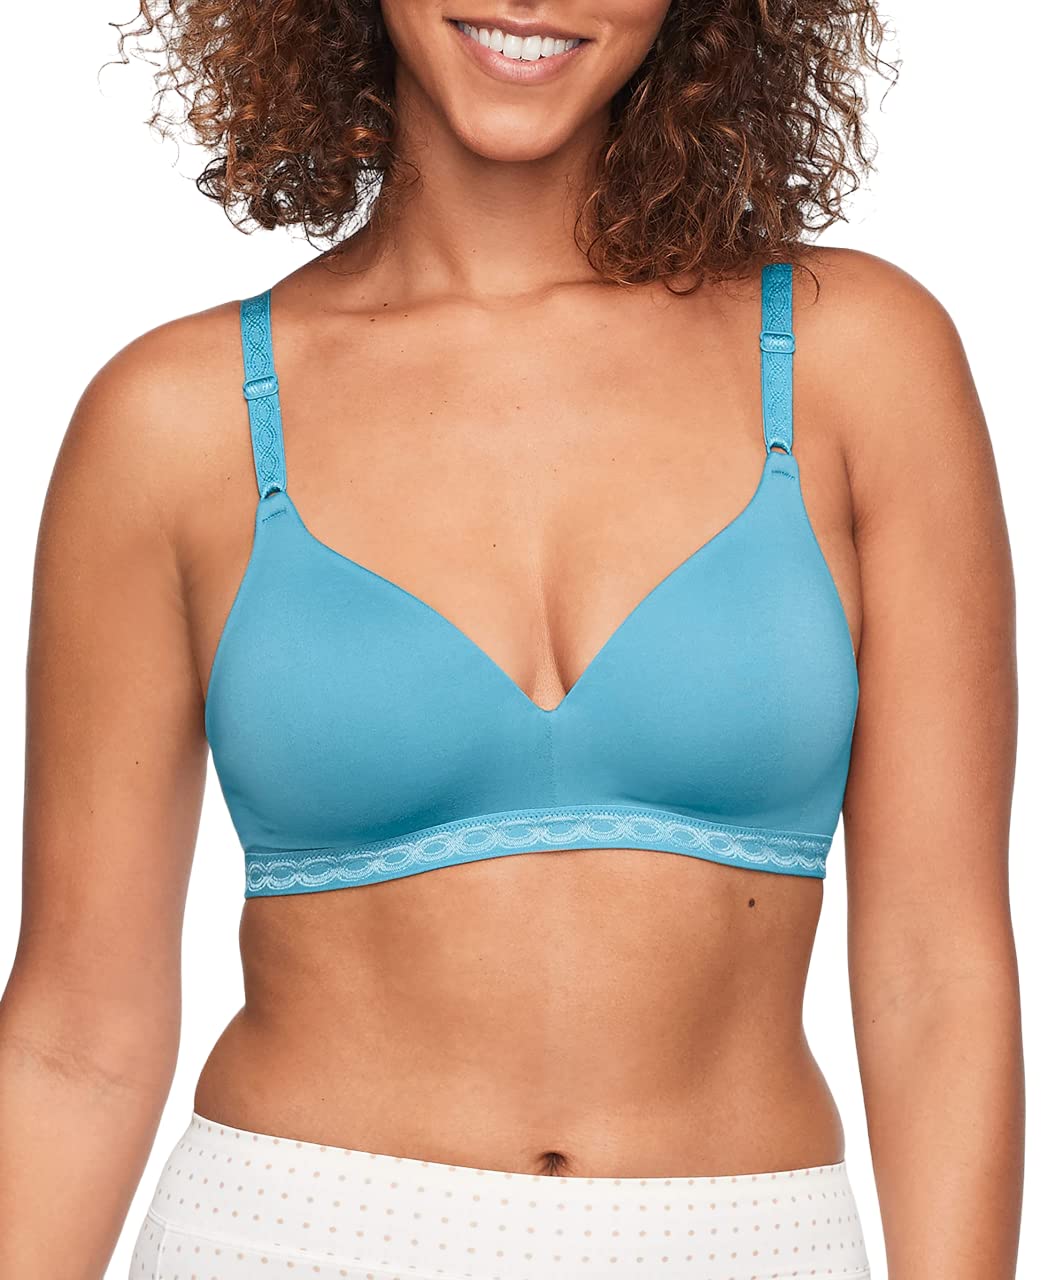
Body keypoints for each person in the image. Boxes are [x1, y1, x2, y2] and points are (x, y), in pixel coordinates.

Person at [0, 2, 1024, 1278]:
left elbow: (939, 975)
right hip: (283, 1236)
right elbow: (77, 1036)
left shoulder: (853, 358)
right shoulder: (173, 420)